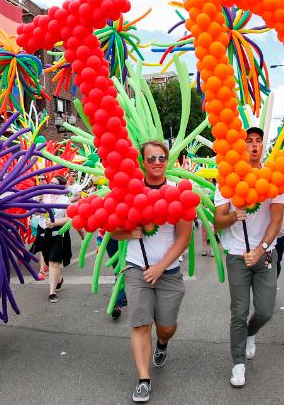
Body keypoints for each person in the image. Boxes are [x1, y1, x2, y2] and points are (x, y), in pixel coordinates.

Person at [110, 140, 192, 402]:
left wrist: (159, 267)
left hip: (168, 272)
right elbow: (114, 229)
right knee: (141, 324)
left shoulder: (177, 192)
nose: (157, 162)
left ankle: (163, 343)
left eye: (161, 158)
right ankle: (144, 380)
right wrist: (128, 233)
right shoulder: (130, 192)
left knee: (165, 326)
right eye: (151, 158)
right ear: (143, 162)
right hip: (136, 269)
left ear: (167, 161)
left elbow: (183, 238)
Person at [213, 127, 284, 389]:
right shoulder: (228, 179)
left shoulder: (274, 176)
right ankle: (238, 363)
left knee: (265, 310)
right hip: (236, 256)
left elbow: (276, 219)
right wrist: (234, 215)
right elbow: (217, 221)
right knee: (239, 312)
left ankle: (251, 333)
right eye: (249, 141)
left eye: (258, 141)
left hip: (265, 254)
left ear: (263, 146)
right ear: (241, 147)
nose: (254, 145)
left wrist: (261, 248)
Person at [41, 176, 72, 303]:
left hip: (58, 234)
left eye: (54, 183)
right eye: (51, 182)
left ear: (60, 186)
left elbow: (69, 218)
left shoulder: (66, 200)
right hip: (44, 233)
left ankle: (51, 293)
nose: (51, 184)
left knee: (54, 262)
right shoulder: (44, 196)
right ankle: (59, 280)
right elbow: (37, 213)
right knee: (49, 261)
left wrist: (56, 223)